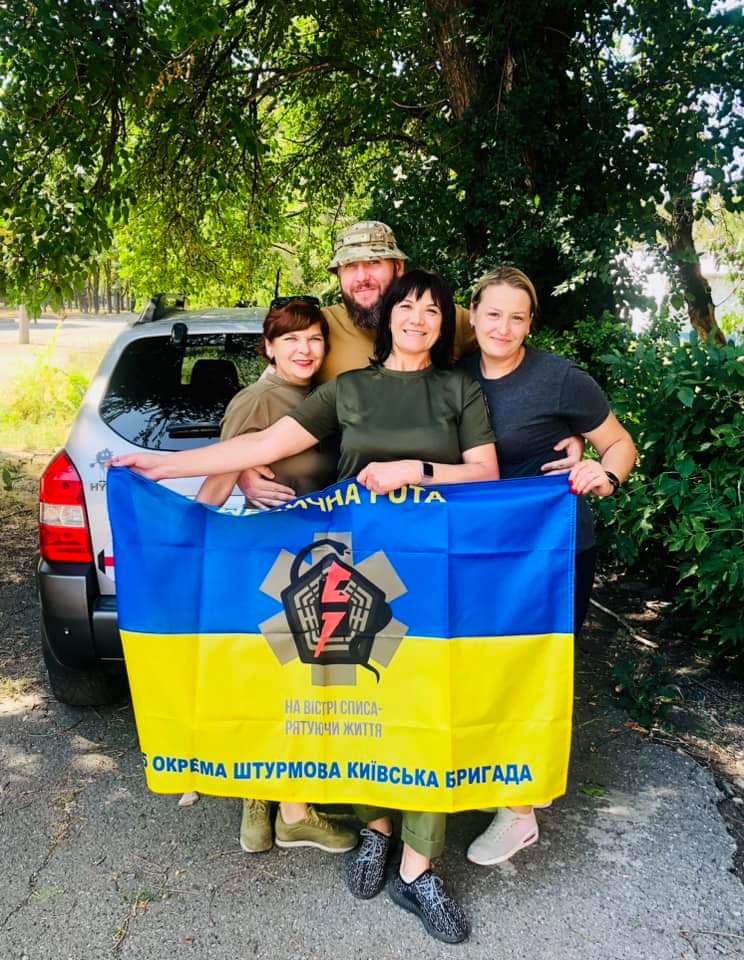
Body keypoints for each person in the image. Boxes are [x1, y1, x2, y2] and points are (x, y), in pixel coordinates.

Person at [112, 269, 500, 944]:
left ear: (444, 324)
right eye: (407, 306)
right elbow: (263, 446)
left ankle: (418, 870)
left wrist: (414, 471)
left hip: (434, 580)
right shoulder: (348, 390)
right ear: (388, 317)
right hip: (358, 578)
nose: (418, 318)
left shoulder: (458, 387)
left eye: (433, 310)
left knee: (426, 714)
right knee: (362, 712)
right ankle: (376, 832)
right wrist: (161, 468)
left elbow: (486, 472)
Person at [459, 266, 637, 869]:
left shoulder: (561, 379)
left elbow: (620, 444)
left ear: (530, 323)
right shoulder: (453, 374)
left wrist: (602, 472)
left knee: (533, 673)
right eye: (493, 314)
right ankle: (487, 774)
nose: (503, 327)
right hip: (479, 549)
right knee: (482, 668)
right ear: (473, 316)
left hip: (552, 550)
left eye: (517, 317)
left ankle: (520, 813)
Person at [240, 220, 582, 508]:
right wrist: (242, 466)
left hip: (433, 513)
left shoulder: (446, 319)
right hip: (339, 504)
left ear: (398, 268)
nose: (362, 276)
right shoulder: (321, 327)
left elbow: (510, 355)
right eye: (350, 267)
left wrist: (563, 428)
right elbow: (273, 386)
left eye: (374, 263)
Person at [193, 297, 356, 856]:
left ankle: (260, 808)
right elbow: (216, 479)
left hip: (322, 561)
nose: (304, 349)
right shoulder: (258, 399)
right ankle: (293, 815)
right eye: (290, 339)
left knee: (296, 684)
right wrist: (197, 533)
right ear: (268, 347)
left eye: (313, 338)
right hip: (275, 563)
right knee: (286, 684)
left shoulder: (324, 397)